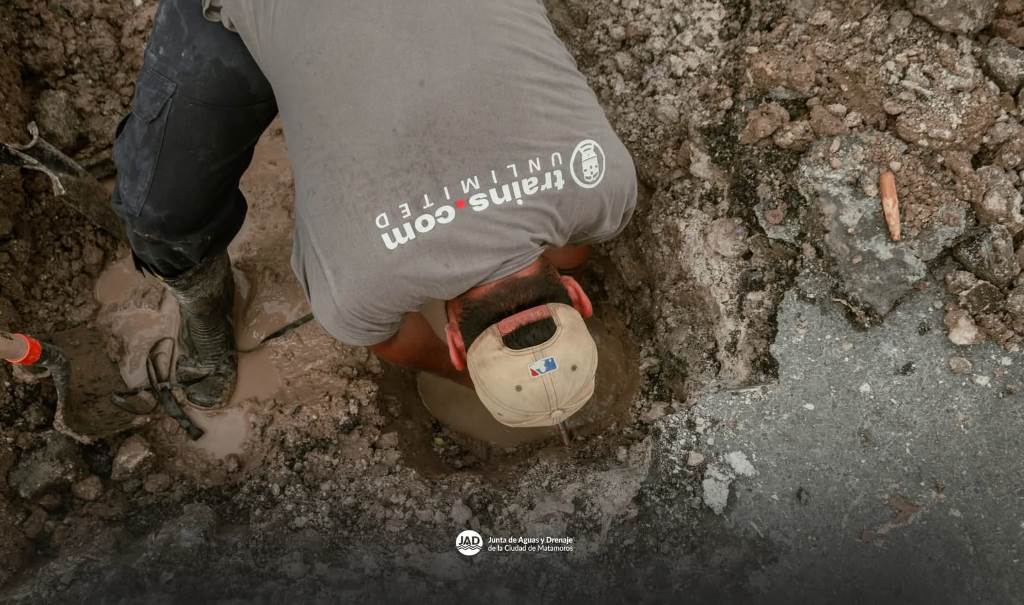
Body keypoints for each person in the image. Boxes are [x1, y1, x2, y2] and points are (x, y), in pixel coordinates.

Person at [111, 0, 637, 431]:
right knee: (160, 215)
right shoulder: (355, 291)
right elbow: (394, 341)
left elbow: (573, 240)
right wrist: (466, 379)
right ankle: (203, 300)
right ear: (455, 343)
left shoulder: (604, 184)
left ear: (578, 296)